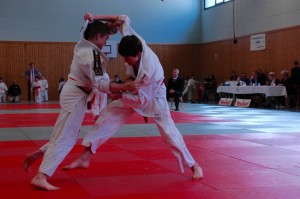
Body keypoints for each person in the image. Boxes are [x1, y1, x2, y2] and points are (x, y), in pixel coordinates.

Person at [62, 13, 203, 183]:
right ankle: (86, 156)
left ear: (138, 54)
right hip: (136, 90)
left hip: (155, 97)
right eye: (124, 59)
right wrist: (95, 17)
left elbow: (142, 101)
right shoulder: (132, 41)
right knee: (108, 115)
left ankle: (194, 164)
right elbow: (122, 18)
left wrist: (118, 94)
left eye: (129, 59)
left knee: (169, 134)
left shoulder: (149, 71)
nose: (127, 62)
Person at [23, 18, 139, 191]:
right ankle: (42, 175)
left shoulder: (82, 43)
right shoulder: (93, 57)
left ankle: (37, 154)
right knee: (67, 138)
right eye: (106, 39)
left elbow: (97, 28)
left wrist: (106, 21)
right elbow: (100, 84)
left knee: (62, 134)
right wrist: (126, 86)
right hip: (76, 96)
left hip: (74, 93)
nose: (106, 43)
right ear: (99, 36)